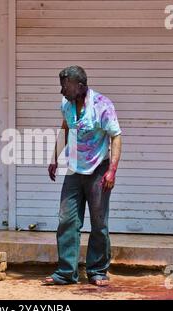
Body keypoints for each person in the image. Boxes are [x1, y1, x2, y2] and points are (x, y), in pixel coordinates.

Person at [44, 66, 122, 287]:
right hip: (74, 169)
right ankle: (66, 272)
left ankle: (97, 271)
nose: (62, 91)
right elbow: (65, 128)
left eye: (65, 86)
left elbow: (116, 136)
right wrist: (54, 157)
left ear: (80, 85)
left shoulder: (102, 106)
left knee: (99, 223)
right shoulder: (66, 104)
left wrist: (112, 170)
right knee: (66, 220)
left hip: (99, 169)